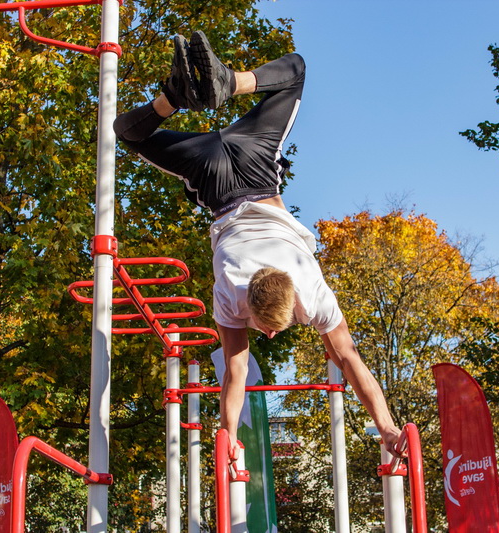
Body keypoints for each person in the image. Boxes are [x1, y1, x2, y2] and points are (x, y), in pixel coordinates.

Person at [114, 31, 403, 459]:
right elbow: (339, 359)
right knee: (127, 133)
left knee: (295, 71)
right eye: (270, 328)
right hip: (214, 174)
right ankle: (175, 97)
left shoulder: (307, 290)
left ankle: (223, 83)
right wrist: (228, 434)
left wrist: (388, 426)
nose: (267, 334)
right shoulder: (236, 293)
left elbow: (244, 371)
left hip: (255, 158)